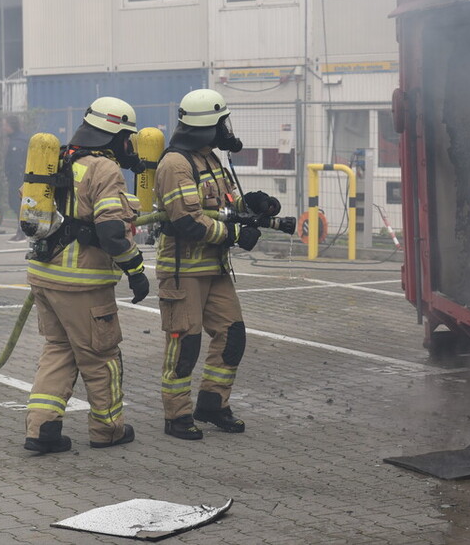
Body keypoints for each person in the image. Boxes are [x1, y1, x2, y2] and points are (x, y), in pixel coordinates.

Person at [23, 96, 150, 454]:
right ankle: (108, 430)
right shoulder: (103, 169)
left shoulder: (60, 158)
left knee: (59, 350)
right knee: (101, 355)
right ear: (113, 135)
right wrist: (136, 270)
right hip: (83, 283)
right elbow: (111, 233)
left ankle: (42, 430)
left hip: (43, 277)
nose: (129, 146)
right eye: (127, 138)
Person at [154, 88, 280, 440]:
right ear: (207, 124)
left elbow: (225, 204)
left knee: (232, 335)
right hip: (183, 271)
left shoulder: (210, 159)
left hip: (215, 268)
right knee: (185, 344)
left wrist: (252, 203)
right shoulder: (175, 163)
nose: (227, 127)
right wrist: (234, 236)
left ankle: (213, 403)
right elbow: (188, 221)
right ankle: (176, 416)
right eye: (222, 120)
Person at [3, 115, 28, 242]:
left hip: (19, 178)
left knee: (18, 204)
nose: (4, 128)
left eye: (5, 125)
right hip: (13, 178)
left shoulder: (21, 141)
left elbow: (18, 161)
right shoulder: (13, 140)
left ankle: (22, 232)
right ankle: (20, 230)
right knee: (13, 203)